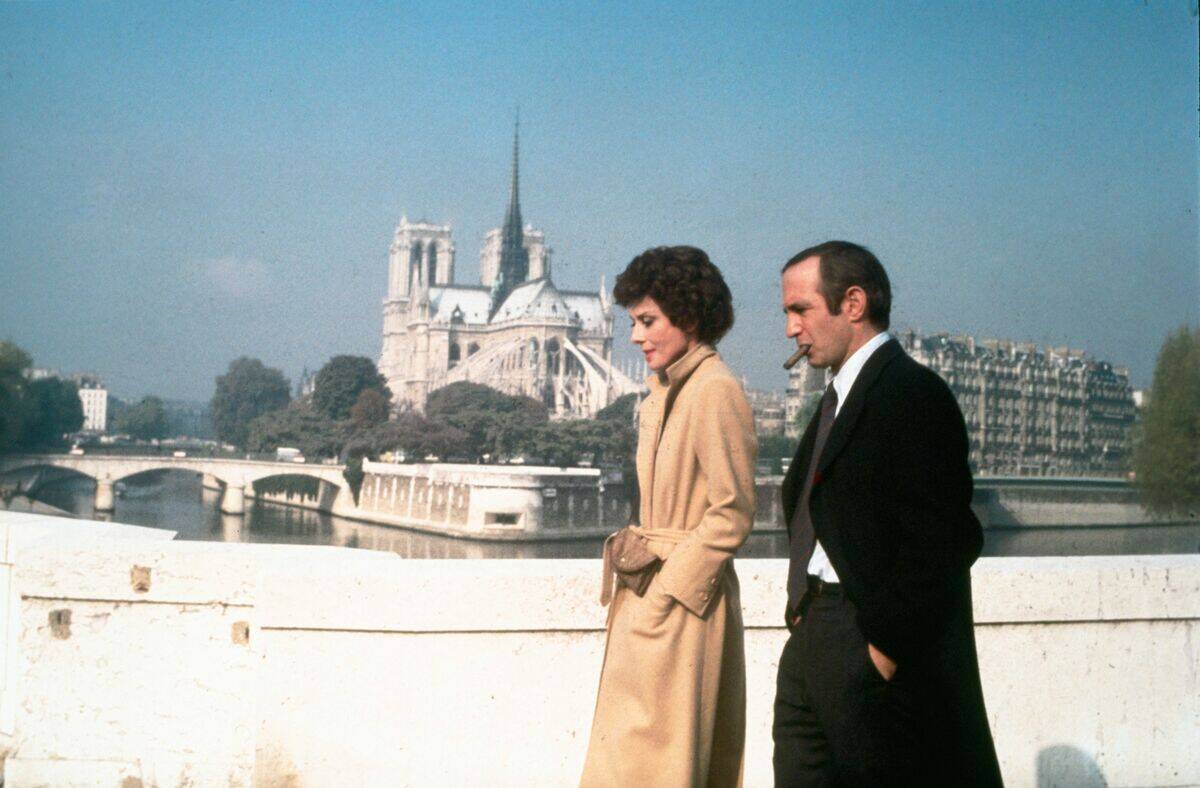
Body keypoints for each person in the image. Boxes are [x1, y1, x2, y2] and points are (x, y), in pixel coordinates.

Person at [772, 241, 1002, 786]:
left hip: (864, 643)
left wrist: (881, 652)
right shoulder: (839, 398)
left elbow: (947, 538)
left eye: (799, 310)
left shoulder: (912, 393)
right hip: (814, 635)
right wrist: (804, 618)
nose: (789, 330)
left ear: (853, 304)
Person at [581, 246, 758, 788]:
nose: (635, 336)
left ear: (689, 316)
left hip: (682, 605)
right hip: (646, 593)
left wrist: (668, 592)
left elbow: (732, 512)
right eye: (634, 321)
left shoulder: (715, 391)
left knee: (663, 762)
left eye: (647, 321)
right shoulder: (659, 393)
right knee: (629, 762)